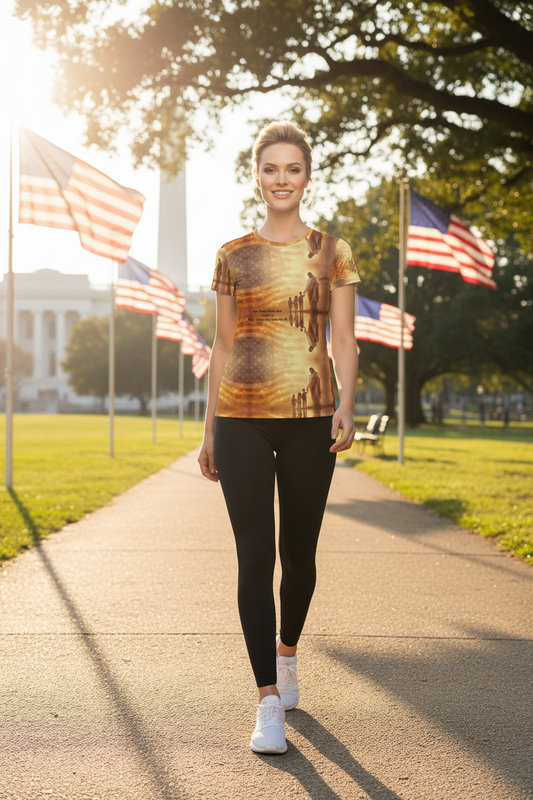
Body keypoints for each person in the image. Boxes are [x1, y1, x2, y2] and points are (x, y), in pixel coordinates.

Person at [198, 120, 360, 755]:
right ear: (257, 176)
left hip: (311, 417)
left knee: (299, 555)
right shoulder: (232, 254)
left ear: (307, 176)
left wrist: (347, 402)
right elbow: (224, 342)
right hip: (239, 416)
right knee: (253, 555)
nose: (281, 180)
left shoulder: (333, 251)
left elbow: (343, 339)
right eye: (271, 169)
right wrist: (208, 427)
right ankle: (267, 698)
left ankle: (287, 652)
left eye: (292, 169)